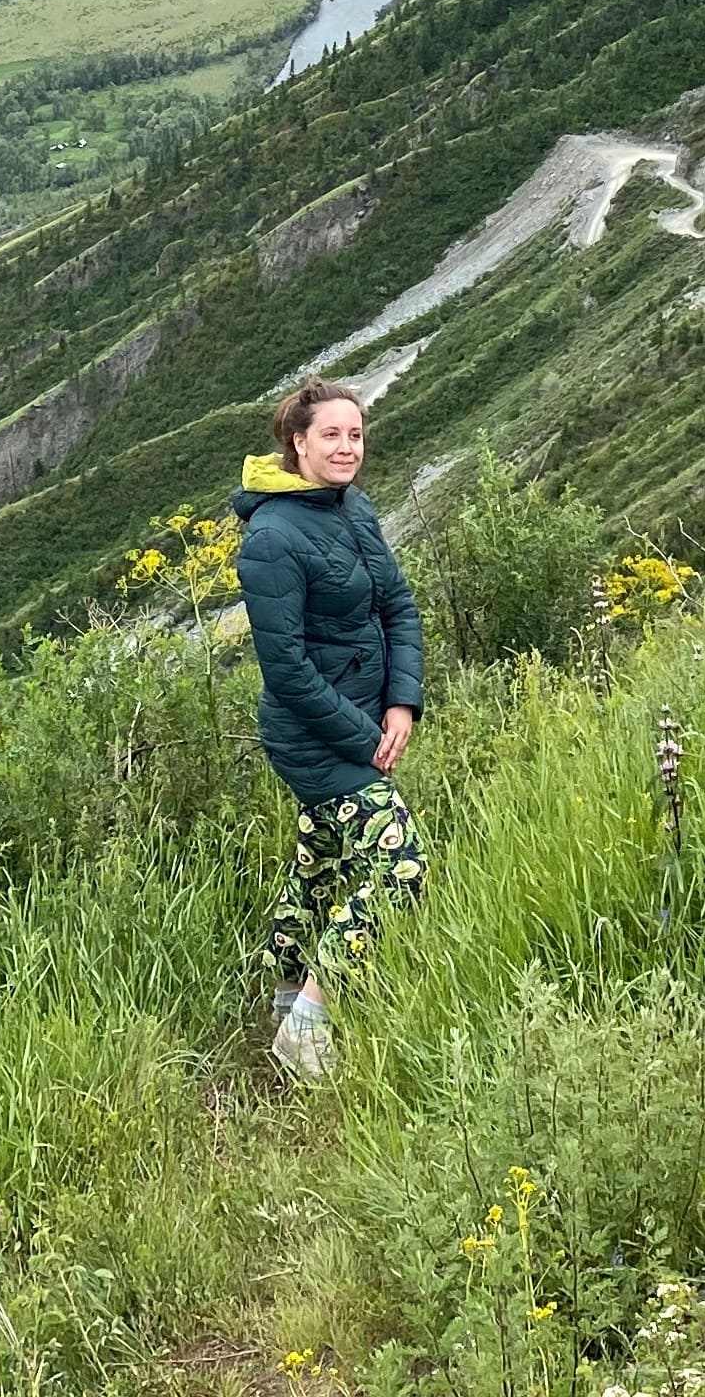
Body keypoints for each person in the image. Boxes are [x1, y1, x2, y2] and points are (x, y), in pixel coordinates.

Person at [234, 375, 425, 1081]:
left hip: (366, 718)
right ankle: (309, 1027)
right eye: (331, 435)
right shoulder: (273, 537)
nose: (347, 448)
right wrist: (365, 739)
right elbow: (284, 669)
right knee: (401, 866)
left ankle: (283, 992)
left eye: (356, 435)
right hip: (314, 735)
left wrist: (401, 704)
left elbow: (399, 606)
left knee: (322, 857)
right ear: (298, 442)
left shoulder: (352, 507)